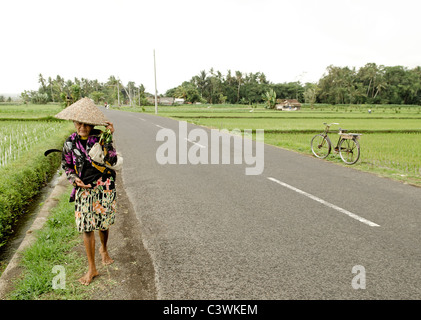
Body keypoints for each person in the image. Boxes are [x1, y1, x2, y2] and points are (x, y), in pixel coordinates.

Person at [55, 97, 118, 285]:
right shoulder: (69, 143)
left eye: (86, 124)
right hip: (83, 189)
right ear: (74, 122)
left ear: (91, 125)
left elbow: (112, 161)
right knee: (86, 227)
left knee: (103, 224)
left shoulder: (100, 137)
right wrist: (74, 179)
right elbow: (66, 165)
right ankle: (92, 268)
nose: (82, 126)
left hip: (103, 186)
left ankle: (104, 249)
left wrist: (108, 139)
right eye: (78, 122)